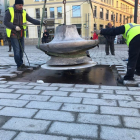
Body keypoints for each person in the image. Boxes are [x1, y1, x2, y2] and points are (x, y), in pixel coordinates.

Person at [4, 0, 46, 71]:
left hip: (21, 34)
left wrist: (40, 22)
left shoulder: (23, 12)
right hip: (13, 34)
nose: (21, 6)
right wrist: (14, 27)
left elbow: (31, 20)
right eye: (20, 5)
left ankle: (21, 64)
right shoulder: (9, 11)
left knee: (21, 50)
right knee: (17, 50)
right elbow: (5, 22)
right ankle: (19, 65)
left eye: (22, 5)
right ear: (16, 5)